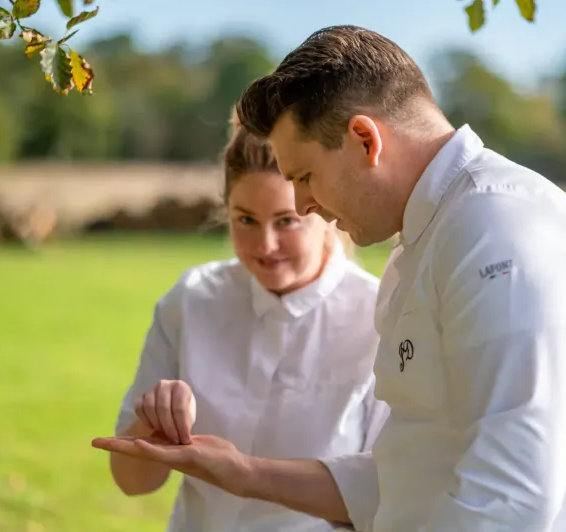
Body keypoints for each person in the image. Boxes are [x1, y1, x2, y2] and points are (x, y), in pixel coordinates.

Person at [94, 25, 566, 532]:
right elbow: (403, 476)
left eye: (305, 176)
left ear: (365, 139)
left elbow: (509, 497)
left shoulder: (496, 227)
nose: (305, 204)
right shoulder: (426, 243)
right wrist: (243, 472)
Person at [101, 108, 389, 532]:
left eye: (287, 220)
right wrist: (152, 422)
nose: (265, 245)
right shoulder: (192, 299)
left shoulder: (379, 316)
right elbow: (131, 482)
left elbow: (387, 499)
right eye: (246, 220)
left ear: (324, 211)